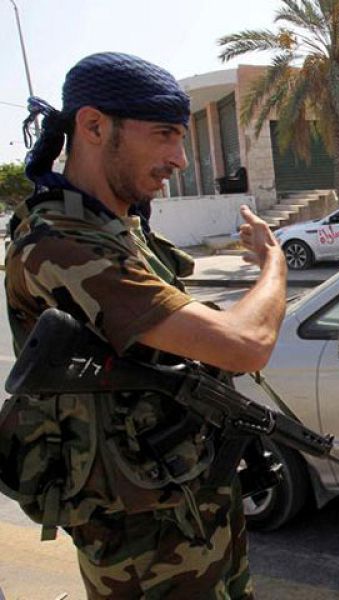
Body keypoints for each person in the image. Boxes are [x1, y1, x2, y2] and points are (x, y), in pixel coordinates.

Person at [0, 53, 286, 599]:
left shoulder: (119, 230)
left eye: (181, 137)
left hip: (187, 502)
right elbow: (246, 344)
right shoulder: (60, 243)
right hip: (140, 538)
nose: (179, 158)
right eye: (163, 135)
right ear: (92, 126)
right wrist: (274, 265)